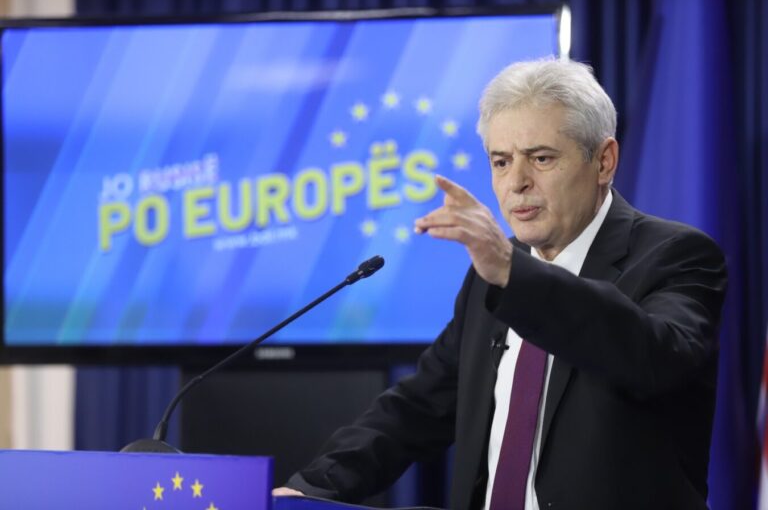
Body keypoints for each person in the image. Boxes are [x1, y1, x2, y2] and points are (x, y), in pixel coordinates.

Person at [274, 58, 727, 509]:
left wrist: (513, 273)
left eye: (542, 158)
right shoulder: (494, 273)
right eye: (501, 161)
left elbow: (653, 356)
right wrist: (312, 488)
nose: (517, 183)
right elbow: (420, 406)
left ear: (604, 161)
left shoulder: (676, 256)